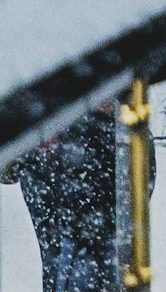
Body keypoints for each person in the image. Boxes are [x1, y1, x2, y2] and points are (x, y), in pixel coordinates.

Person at [3, 103, 148, 292]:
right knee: (58, 270)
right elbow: (8, 171)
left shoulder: (116, 130)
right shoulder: (49, 122)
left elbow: (140, 184)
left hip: (95, 232)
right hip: (59, 224)